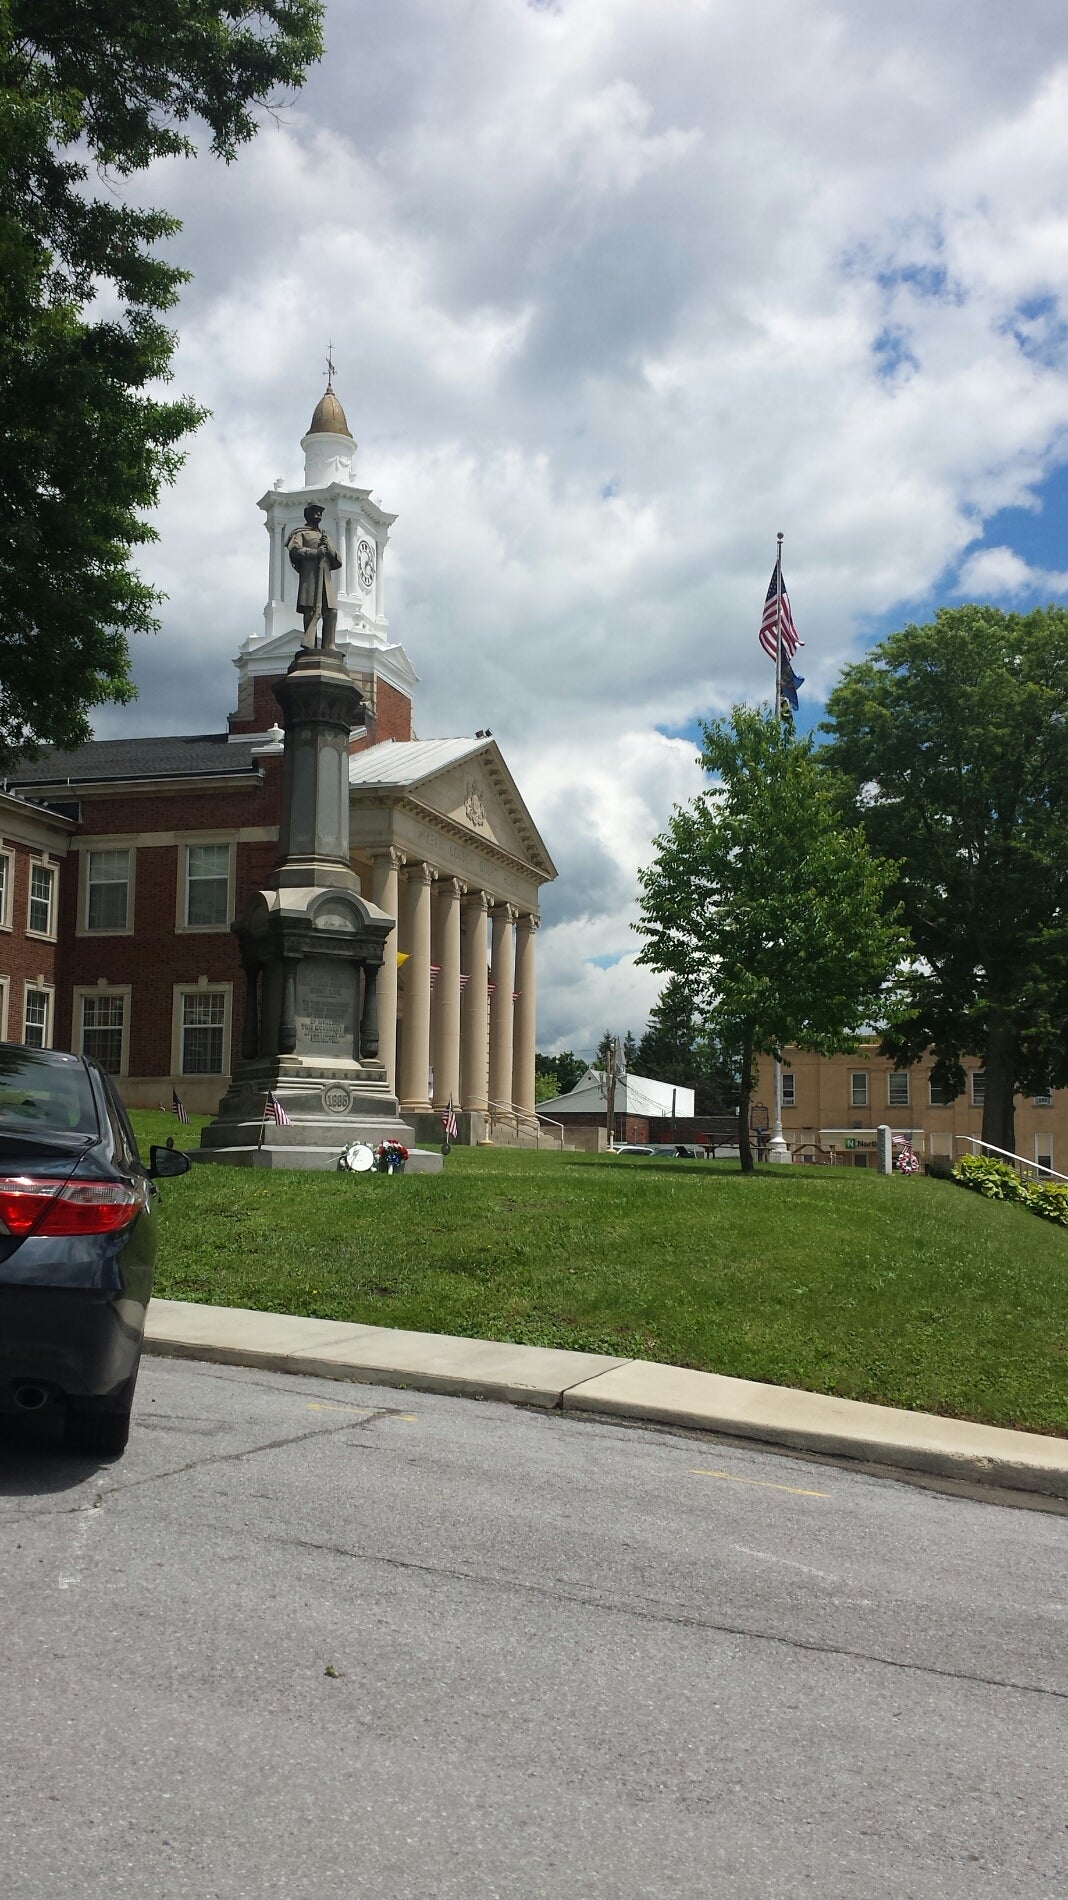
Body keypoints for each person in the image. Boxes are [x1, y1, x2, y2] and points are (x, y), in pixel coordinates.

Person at [285, 503, 343, 649]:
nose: (318, 514)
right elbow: (294, 551)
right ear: (307, 513)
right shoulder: (300, 533)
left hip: (325, 578)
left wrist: (328, 548)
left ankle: (329, 645)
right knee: (310, 610)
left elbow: (338, 560)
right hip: (310, 577)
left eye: (320, 512)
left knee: (331, 611)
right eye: (315, 511)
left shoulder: (324, 536)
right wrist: (314, 553)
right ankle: (310, 645)